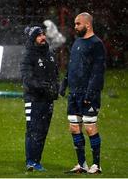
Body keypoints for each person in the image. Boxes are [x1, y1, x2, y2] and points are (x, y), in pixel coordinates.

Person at [59, 12, 106, 174]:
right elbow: (72, 66)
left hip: (87, 94)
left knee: (90, 128)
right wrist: (64, 83)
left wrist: (90, 93)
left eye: (78, 23)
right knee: (74, 127)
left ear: (88, 24)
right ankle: (81, 164)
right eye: (75, 23)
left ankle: (97, 165)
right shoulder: (77, 43)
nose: (75, 26)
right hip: (74, 94)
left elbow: (98, 72)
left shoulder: (96, 44)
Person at [20, 26, 59, 172]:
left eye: (43, 34)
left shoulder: (50, 53)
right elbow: (27, 78)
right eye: (38, 35)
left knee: (42, 131)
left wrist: (56, 87)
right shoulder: (28, 56)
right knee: (33, 130)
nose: (43, 37)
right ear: (32, 38)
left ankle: (36, 161)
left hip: (47, 99)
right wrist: (40, 86)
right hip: (34, 99)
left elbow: (55, 73)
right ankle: (31, 161)